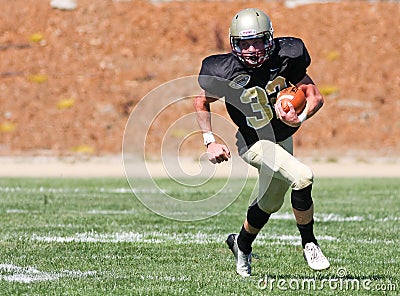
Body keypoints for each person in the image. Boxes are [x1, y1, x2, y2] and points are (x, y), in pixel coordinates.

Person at [193, 8, 330, 277]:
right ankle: (310, 243)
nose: (252, 49)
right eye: (245, 43)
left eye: (257, 41)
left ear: (269, 39)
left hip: (282, 138)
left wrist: (298, 116)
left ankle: (241, 245)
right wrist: (209, 141)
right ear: (234, 45)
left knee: (269, 203)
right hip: (253, 142)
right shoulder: (224, 70)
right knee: (303, 177)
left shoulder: (287, 55)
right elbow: (201, 101)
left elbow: (314, 95)